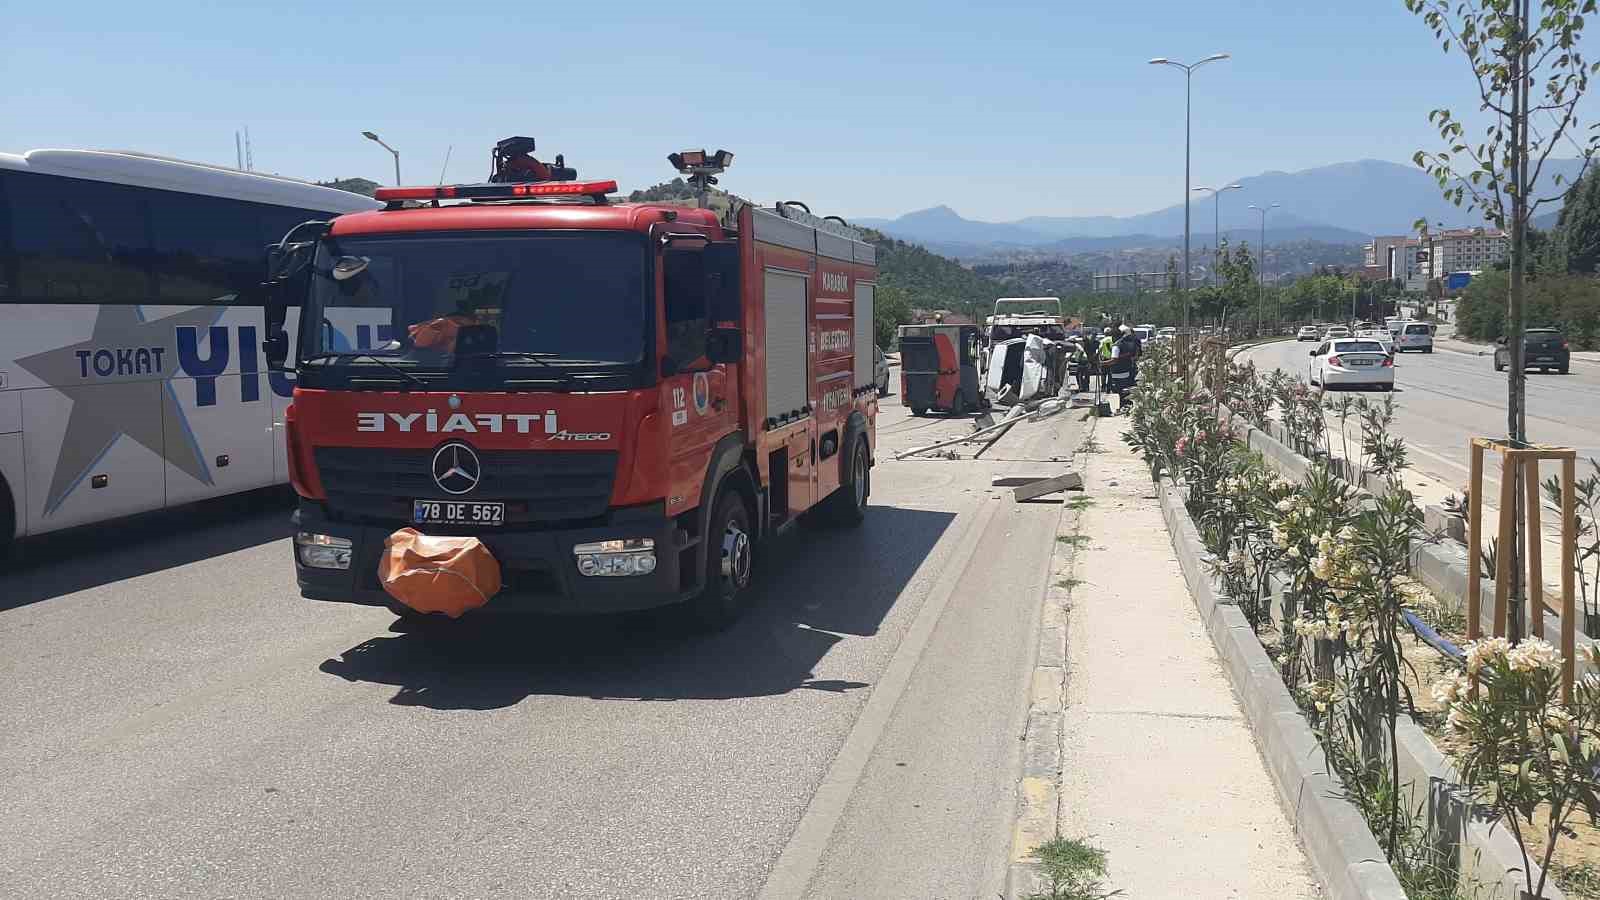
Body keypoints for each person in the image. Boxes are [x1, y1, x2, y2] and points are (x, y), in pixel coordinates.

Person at [1108, 324, 1141, 412]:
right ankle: (1128, 408)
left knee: (1120, 392)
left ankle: (1123, 408)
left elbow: (1114, 360)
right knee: (1127, 391)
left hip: (1118, 372)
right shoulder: (1130, 344)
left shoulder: (1116, 345)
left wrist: (1101, 363)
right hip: (1128, 370)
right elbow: (1136, 355)